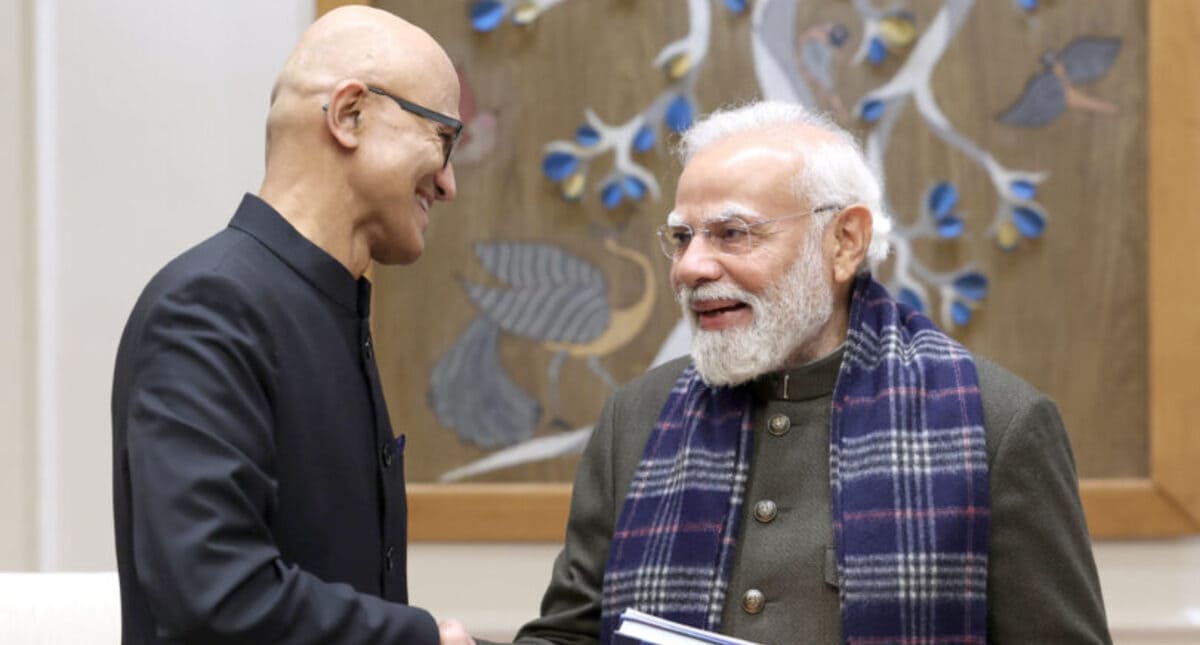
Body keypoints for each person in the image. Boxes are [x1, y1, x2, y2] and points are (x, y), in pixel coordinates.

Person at [495, 101, 1110, 644]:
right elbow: (571, 633)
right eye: (682, 238)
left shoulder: (999, 424)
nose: (690, 267)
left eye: (732, 233)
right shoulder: (637, 415)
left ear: (844, 241)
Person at [111, 6, 474, 643]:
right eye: (443, 138)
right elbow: (215, 596)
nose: (448, 183)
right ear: (349, 115)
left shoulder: (330, 310)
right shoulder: (210, 307)